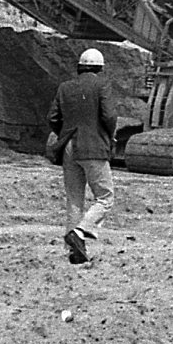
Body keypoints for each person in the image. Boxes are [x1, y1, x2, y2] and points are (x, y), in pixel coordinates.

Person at [47, 45, 126, 265]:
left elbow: (52, 118)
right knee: (105, 197)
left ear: (79, 67)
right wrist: (108, 136)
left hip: (69, 147)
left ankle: (74, 252)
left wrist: (65, 132)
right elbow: (109, 116)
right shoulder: (102, 85)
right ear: (100, 68)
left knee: (74, 200)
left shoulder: (64, 87)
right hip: (93, 147)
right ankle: (80, 232)